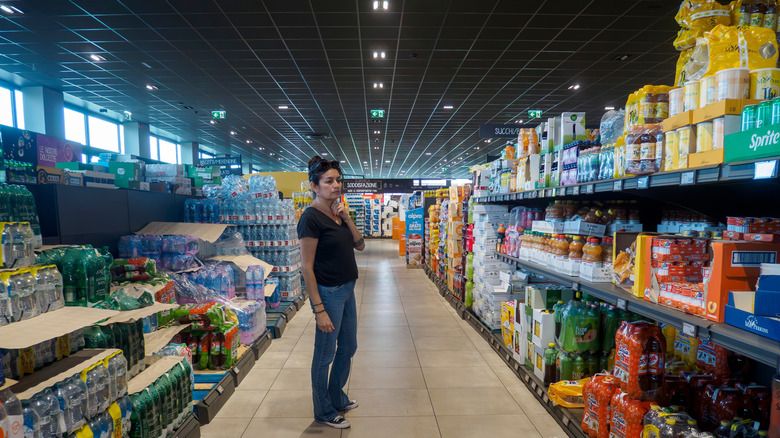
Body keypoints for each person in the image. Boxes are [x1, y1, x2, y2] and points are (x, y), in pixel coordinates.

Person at [297, 155, 365, 429]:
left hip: (347, 288)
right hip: (329, 294)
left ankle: (337, 396)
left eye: (338, 180)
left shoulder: (337, 214)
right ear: (314, 186)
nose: (336, 185)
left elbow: (359, 245)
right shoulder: (310, 218)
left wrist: (346, 218)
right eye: (328, 181)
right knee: (325, 354)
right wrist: (319, 309)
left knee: (349, 346)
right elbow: (306, 267)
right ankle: (323, 410)